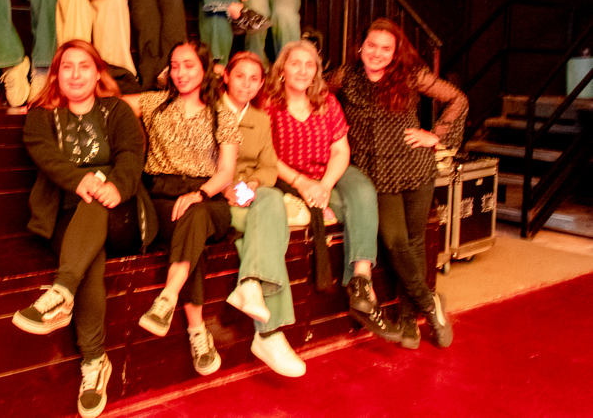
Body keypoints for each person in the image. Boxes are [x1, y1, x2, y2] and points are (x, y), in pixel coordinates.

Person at [17, 40, 157, 418]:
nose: (76, 74)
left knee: (93, 208)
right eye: (67, 67)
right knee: (88, 259)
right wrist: (82, 180)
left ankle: (61, 293)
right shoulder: (41, 117)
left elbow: (132, 155)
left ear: (98, 74)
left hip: (121, 213)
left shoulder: (117, 111)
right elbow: (48, 158)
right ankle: (95, 363)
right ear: (56, 75)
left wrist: (115, 185)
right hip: (64, 218)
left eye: (84, 66)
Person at [329, 19, 466, 349]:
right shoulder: (345, 76)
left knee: (415, 242)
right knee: (394, 241)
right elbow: (310, 90)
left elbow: (457, 99)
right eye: (371, 46)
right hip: (376, 175)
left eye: (385, 48)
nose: (377, 53)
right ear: (360, 46)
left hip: (415, 167)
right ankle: (431, 305)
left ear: (395, 52)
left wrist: (436, 136)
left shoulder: (411, 74)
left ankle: (407, 321)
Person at [263, 40, 401, 342]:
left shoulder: (327, 101)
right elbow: (266, 155)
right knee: (346, 208)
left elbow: (340, 150)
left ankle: (361, 281)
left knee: (363, 190)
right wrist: (302, 183)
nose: (303, 70)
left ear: (316, 71)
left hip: (329, 172)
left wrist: (324, 184)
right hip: (290, 176)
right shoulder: (268, 103)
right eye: (295, 64)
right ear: (282, 69)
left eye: (309, 65)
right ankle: (365, 295)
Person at [123, 42, 238, 376]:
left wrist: (200, 193)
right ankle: (197, 332)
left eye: (188, 65)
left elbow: (226, 172)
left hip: (209, 199)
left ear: (204, 69)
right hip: (162, 198)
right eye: (174, 66)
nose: (180, 73)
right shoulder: (154, 103)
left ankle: (168, 297)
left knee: (196, 215)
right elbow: (109, 104)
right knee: (191, 236)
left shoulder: (222, 113)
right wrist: (54, 101)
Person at [220, 51, 306, 377]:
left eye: (254, 79)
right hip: (216, 195)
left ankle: (251, 285)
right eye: (239, 76)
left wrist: (252, 185)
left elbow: (268, 166)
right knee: (270, 226)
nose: (246, 84)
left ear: (260, 85)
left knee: (271, 199)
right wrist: (227, 189)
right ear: (226, 77)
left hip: (248, 192)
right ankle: (269, 333)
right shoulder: (210, 112)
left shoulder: (260, 118)